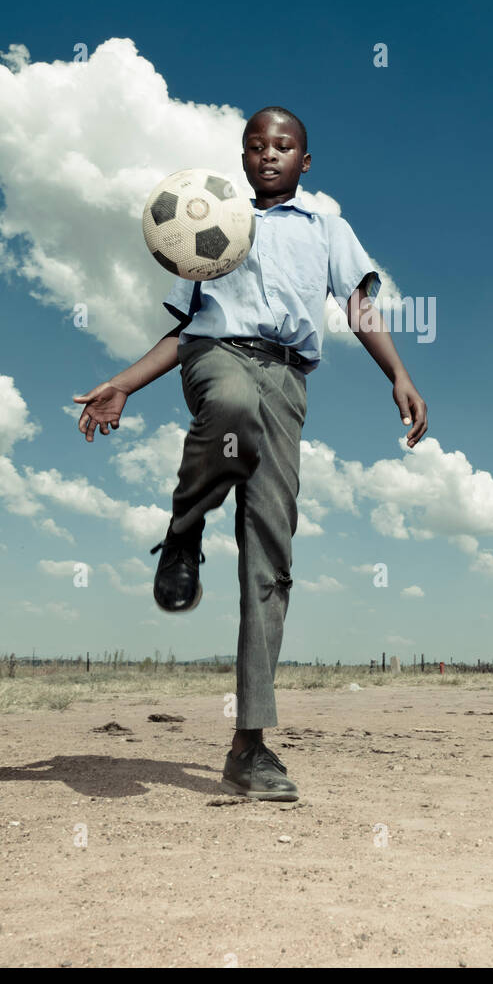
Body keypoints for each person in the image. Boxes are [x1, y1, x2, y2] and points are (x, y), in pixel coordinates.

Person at [73, 106, 428, 801]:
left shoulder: (326, 229)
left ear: (304, 160)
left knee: (272, 556)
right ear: (241, 160)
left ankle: (250, 745)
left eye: (284, 145)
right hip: (216, 358)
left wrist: (399, 375)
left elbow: (358, 308)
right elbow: (183, 331)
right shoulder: (212, 223)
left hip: (287, 379)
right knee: (230, 407)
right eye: (256, 146)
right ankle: (184, 531)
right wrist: (122, 384)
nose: (269, 154)